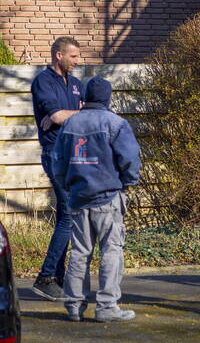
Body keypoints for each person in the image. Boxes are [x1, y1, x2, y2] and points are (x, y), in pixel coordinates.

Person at [51, 77, 141, 323]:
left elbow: (57, 162)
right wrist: (128, 182)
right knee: (111, 250)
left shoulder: (70, 124)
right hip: (107, 197)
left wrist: (67, 186)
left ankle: (74, 306)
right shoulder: (116, 123)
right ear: (108, 98)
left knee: (79, 251)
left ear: (84, 98)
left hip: (78, 198)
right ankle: (106, 307)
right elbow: (130, 159)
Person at [30, 36, 83, 300]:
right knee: (70, 215)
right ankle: (46, 277)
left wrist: (65, 116)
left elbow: (75, 114)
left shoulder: (75, 84)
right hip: (55, 154)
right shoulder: (43, 81)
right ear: (58, 55)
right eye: (73, 56)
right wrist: (63, 116)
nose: (77, 61)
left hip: (73, 153)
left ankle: (57, 278)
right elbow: (56, 116)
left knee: (66, 214)